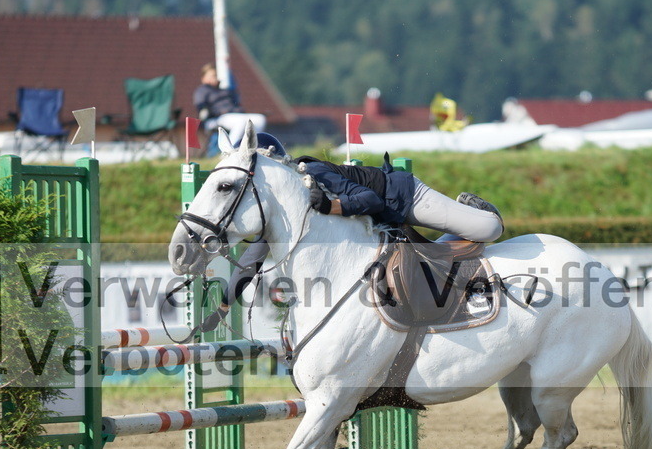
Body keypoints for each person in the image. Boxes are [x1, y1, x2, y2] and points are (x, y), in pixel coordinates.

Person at [200, 133, 503, 331]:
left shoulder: (311, 174)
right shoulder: (284, 211)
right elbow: (253, 259)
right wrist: (224, 306)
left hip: (404, 197)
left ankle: (469, 207)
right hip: (383, 221)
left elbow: (370, 200)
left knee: (490, 228)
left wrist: (330, 206)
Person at [193, 63, 267, 154]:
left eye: (216, 75)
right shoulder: (202, 90)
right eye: (212, 75)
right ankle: (228, 152)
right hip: (215, 118)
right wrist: (213, 112)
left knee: (260, 119)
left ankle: (252, 149)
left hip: (233, 115)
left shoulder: (224, 90)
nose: (215, 77)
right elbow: (201, 107)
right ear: (204, 78)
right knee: (241, 122)